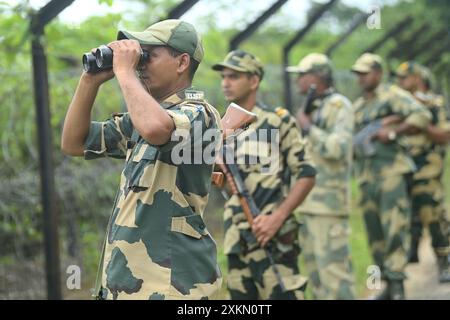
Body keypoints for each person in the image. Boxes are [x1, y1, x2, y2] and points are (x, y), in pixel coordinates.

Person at [61, 19, 222, 300]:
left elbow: (157, 130)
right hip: (128, 282)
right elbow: (74, 143)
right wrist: (89, 80)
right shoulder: (143, 118)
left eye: (149, 55)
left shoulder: (200, 113)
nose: (140, 63)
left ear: (182, 62)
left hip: (171, 284)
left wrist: (124, 72)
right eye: (139, 55)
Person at [212, 49, 316, 299]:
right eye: (224, 76)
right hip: (237, 238)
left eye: (234, 76)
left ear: (254, 80)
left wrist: (278, 217)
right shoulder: (221, 126)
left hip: (272, 236)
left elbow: (307, 173)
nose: (226, 82)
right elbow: (223, 183)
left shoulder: (277, 121)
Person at [351, 53, 431, 300]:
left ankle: (397, 286)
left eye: (365, 73)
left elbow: (422, 116)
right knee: (374, 232)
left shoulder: (393, 96)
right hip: (366, 177)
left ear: (378, 73)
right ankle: (386, 282)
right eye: (358, 74)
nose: (361, 78)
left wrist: (394, 132)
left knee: (394, 226)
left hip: (392, 172)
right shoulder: (358, 107)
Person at [287, 53, 355, 299]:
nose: (298, 82)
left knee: (336, 280)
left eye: (302, 76)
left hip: (329, 206)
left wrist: (308, 128)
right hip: (307, 205)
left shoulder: (339, 106)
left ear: (317, 77)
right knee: (316, 282)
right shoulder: (314, 106)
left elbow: (338, 148)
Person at [396, 61, 450, 282]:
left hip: (427, 165)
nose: (400, 82)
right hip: (402, 165)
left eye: (404, 78)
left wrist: (421, 121)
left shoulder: (434, 105)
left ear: (417, 78)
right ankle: (407, 257)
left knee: (430, 210)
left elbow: (445, 135)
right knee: (406, 212)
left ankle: (444, 258)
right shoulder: (399, 104)